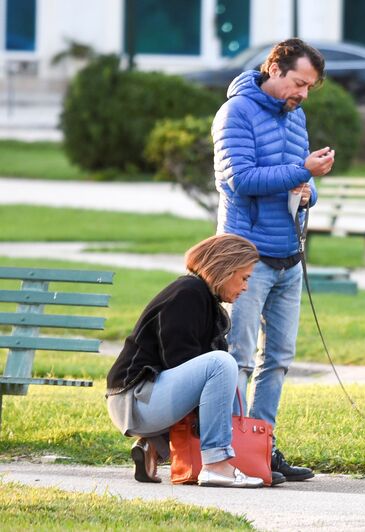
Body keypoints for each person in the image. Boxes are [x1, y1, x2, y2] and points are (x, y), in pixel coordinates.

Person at [212, 38, 334, 482]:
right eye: (299, 83)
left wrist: (309, 189)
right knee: (239, 357)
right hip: (246, 259)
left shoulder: (296, 115)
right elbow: (240, 179)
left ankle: (261, 450)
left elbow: (302, 183)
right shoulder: (235, 113)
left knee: (278, 358)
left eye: (310, 87)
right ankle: (227, 453)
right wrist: (303, 171)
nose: (303, 93)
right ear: (275, 69)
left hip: (288, 256)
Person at [105, 234, 286, 487]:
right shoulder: (188, 294)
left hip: (145, 398)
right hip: (134, 400)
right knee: (221, 363)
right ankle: (215, 465)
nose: (246, 287)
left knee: (221, 368)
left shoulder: (203, 298)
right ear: (225, 270)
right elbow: (178, 361)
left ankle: (152, 447)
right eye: (244, 278)